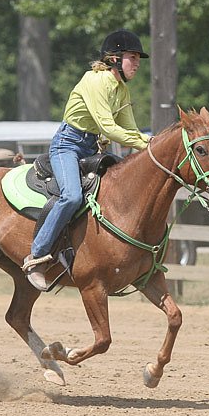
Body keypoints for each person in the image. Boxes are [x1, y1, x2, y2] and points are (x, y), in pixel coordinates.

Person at [22, 29, 151, 290]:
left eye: (138, 58)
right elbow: (109, 127)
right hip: (66, 145)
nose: (137, 63)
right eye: (132, 57)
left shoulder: (122, 91)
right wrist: (150, 143)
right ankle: (36, 257)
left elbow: (130, 129)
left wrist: (148, 142)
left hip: (90, 146)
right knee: (71, 196)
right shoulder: (95, 81)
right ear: (114, 58)